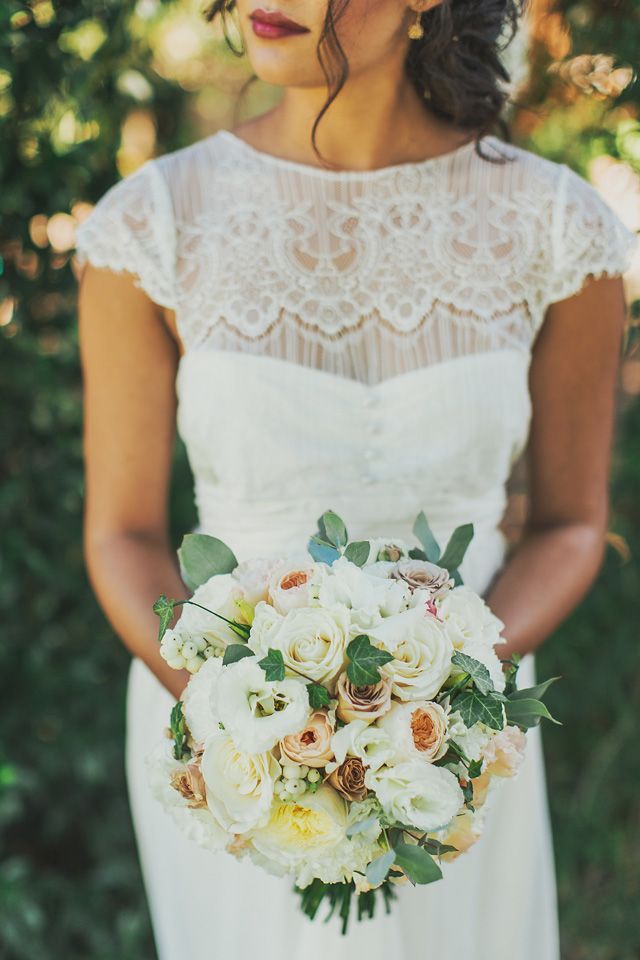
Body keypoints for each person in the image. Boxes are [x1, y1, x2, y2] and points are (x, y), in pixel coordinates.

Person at [74, 1, 638, 958]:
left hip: (457, 744)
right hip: (235, 739)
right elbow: (121, 534)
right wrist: (234, 726)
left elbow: (572, 523)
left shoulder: (556, 224)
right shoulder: (155, 223)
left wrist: (453, 698)